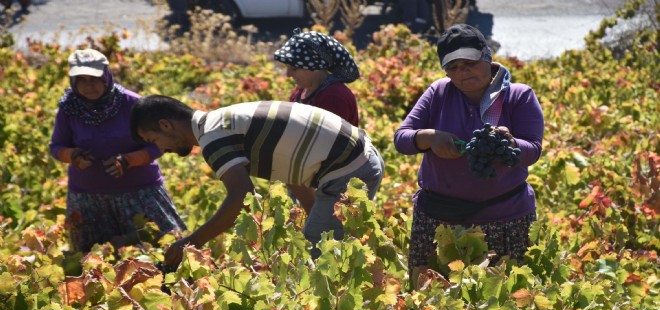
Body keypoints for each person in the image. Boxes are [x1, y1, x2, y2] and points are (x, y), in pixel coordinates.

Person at [129, 96, 384, 267]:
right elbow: (294, 175)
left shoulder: (213, 136)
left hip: (349, 171)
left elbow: (241, 197)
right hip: (361, 159)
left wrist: (190, 243)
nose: (160, 149)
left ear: (166, 125)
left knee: (317, 267)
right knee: (325, 254)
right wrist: (312, 221)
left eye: (153, 141)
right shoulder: (224, 118)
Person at [393, 24, 544, 285]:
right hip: (439, 221)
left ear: (486, 57)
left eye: (469, 63)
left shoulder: (519, 96)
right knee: (433, 305)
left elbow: (533, 150)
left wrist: (509, 144)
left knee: (505, 305)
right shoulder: (438, 93)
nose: (462, 72)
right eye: (453, 67)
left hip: (505, 219)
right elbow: (402, 138)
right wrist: (429, 137)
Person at [50, 49, 186, 253]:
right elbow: (57, 147)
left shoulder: (132, 104)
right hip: (89, 197)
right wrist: (74, 156)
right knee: (95, 259)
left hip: (140, 192)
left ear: (106, 76)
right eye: (82, 80)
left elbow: (159, 143)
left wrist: (128, 160)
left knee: (162, 249)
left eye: (95, 79)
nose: (90, 86)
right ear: (73, 81)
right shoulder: (68, 109)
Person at [273, 28, 360, 127]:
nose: (288, 74)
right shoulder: (300, 92)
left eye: (294, 68)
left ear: (315, 66)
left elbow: (326, 140)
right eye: (287, 67)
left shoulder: (333, 97)